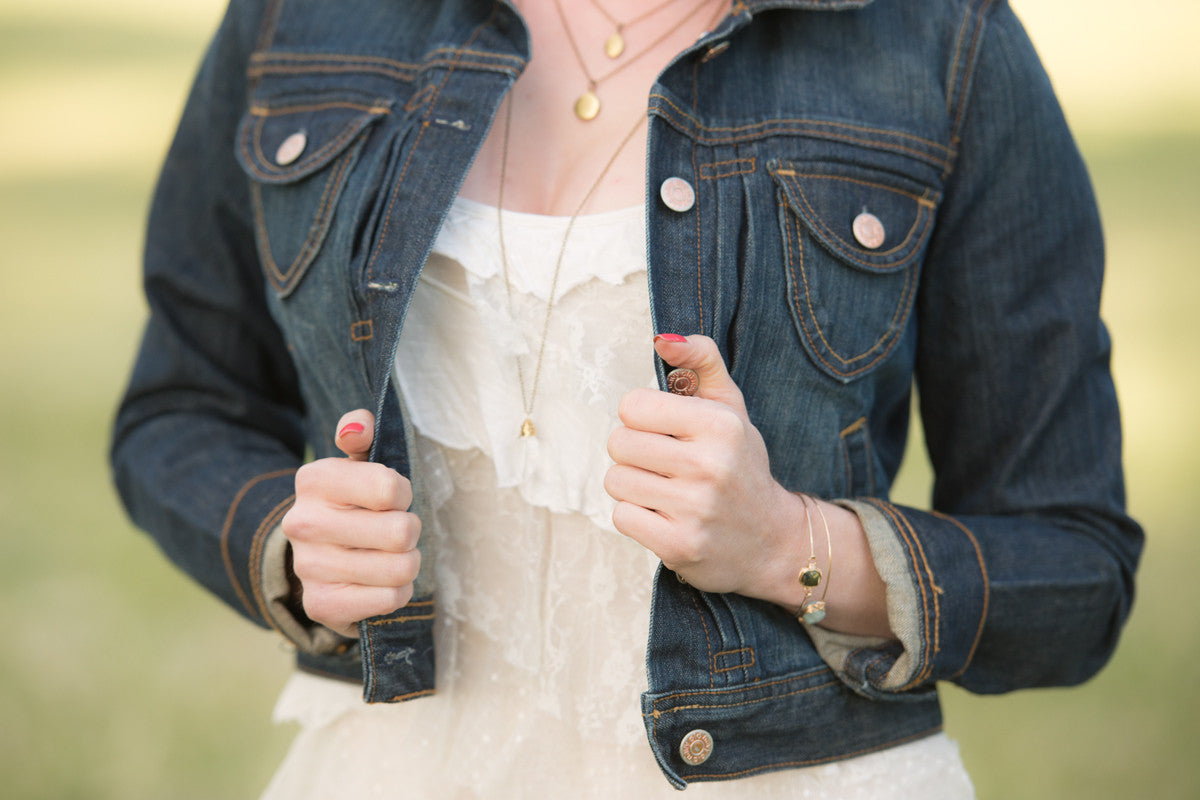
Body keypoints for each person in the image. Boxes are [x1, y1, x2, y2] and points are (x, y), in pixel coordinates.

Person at [111, 0, 1143, 796]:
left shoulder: (941, 38)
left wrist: (788, 541)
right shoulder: (302, 18)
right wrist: (293, 543)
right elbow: (179, 406)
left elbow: (1073, 562)